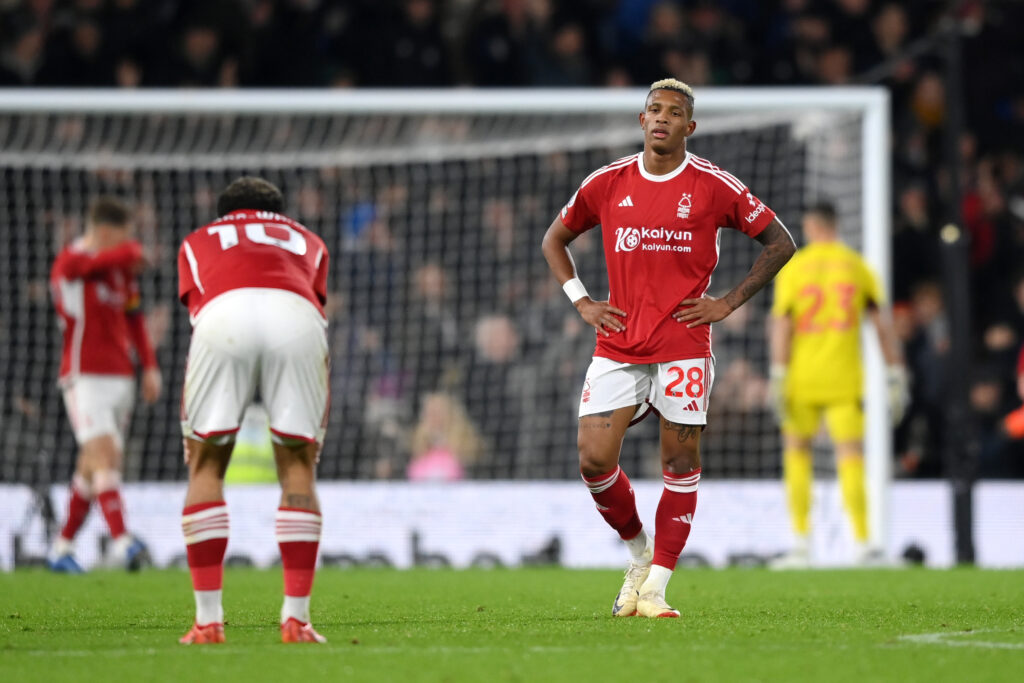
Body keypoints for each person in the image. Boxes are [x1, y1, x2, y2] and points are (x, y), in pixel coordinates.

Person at [541, 78, 795, 618]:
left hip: (683, 345)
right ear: (641, 120)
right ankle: (639, 552)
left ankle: (656, 586)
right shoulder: (607, 182)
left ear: (689, 127)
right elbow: (554, 240)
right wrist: (582, 301)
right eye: (654, 109)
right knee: (592, 460)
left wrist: (728, 302)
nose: (662, 118)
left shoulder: (712, 185)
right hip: (617, 343)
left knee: (679, 459)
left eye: (673, 112)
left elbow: (781, 242)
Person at [176, 177, 330, 645]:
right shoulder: (310, 240)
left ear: (226, 213)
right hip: (296, 315)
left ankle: (208, 622)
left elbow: (198, 304)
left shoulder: (197, 240)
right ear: (279, 213)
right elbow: (317, 300)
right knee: (298, 463)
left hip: (224, 315)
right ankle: (296, 620)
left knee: (206, 461)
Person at [768, 202, 908, 568]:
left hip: (801, 378)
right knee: (851, 458)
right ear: (836, 224)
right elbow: (881, 323)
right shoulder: (857, 266)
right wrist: (895, 372)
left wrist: (778, 373)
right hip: (845, 379)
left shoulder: (795, 268)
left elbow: (783, 325)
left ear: (811, 226)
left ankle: (801, 544)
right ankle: (862, 543)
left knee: (797, 455)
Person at [48, 196, 162, 573]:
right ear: (106, 231)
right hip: (84, 374)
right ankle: (124, 542)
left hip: (121, 376)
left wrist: (149, 365)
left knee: (92, 464)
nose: (129, 243)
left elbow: (134, 318)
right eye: (125, 235)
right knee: (106, 453)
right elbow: (102, 260)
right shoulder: (72, 261)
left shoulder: (120, 269)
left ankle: (61, 548)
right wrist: (133, 249)